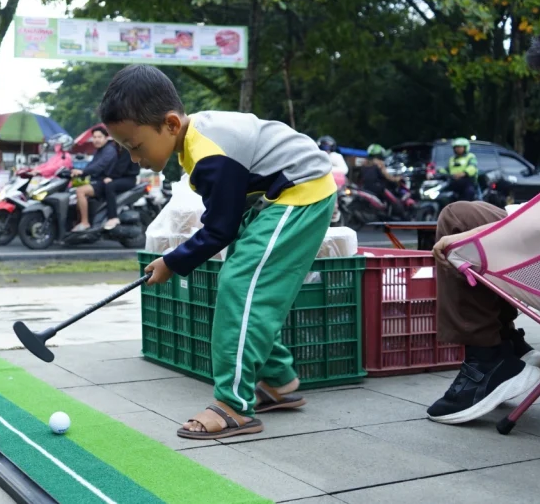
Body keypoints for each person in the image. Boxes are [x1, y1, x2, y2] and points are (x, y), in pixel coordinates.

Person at [99, 65, 336, 440]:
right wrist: (178, 257)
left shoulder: (208, 152)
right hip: (273, 197)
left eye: (136, 146)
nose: (133, 158)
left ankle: (233, 406)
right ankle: (278, 379)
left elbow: (220, 229)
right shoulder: (196, 143)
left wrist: (173, 261)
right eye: (126, 149)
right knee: (246, 286)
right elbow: (222, 217)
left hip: (299, 193)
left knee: (240, 285)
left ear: (171, 124)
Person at [426, 8, 540, 425]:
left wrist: (477, 239)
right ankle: (502, 351)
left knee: (460, 232)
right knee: (462, 217)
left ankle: (490, 359)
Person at [70, 127, 119, 231]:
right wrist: (79, 171)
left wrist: (83, 172)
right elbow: (91, 165)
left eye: (99, 137)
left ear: (106, 138)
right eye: (94, 137)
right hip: (96, 181)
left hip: (103, 182)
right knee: (72, 192)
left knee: (80, 191)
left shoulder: (109, 150)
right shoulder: (99, 151)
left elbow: (100, 166)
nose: (96, 140)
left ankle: (85, 222)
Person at [359, 144, 402, 211]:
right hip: (378, 188)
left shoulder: (364, 163)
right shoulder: (379, 163)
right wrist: (397, 179)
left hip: (365, 187)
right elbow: (387, 177)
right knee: (394, 201)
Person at [318, 135, 348, 226]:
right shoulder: (317, 156)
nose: (326, 149)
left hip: (335, 187)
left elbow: (344, 169)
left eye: (328, 147)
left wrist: (328, 170)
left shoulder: (336, 157)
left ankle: (334, 214)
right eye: (324, 147)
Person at [442, 137, 479, 201]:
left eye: (460, 147)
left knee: (469, 192)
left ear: (465, 147)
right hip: (453, 182)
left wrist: (463, 173)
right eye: (456, 147)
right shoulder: (452, 159)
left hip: (467, 182)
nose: (457, 149)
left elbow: (472, 167)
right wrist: (435, 173)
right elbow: (446, 170)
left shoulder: (470, 157)